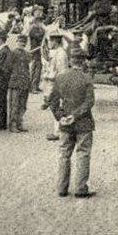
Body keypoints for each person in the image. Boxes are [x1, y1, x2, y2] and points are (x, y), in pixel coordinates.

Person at [45, 48, 96, 198]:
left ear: (70, 60)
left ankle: (62, 188)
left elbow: (52, 100)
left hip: (65, 124)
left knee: (64, 155)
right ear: (84, 61)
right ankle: (80, 188)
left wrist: (60, 116)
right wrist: (76, 115)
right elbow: (89, 102)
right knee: (83, 154)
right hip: (83, 123)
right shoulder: (87, 79)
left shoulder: (60, 78)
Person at [42, 32, 70, 141]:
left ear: (55, 41)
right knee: (54, 107)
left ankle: (61, 131)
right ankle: (58, 131)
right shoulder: (57, 52)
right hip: (55, 82)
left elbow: (62, 72)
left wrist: (58, 87)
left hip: (57, 83)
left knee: (55, 107)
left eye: (50, 41)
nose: (49, 43)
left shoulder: (61, 54)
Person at [6, 35, 32, 132]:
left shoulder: (27, 54)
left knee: (23, 105)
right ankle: (12, 125)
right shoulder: (12, 53)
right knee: (15, 104)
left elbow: (27, 68)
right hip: (15, 82)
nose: (22, 44)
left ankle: (19, 123)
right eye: (20, 41)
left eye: (24, 42)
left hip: (24, 81)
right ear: (17, 42)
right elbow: (7, 67)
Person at [27, 9, 46, 93]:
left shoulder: (39, 28)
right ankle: (32, 87)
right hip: (34, 50)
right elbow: (37, 37)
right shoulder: (33, 29)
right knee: (35, 69)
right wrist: (44, 33)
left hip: (39, 50)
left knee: (39, 68)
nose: (40, 22)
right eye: (39, 21)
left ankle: (36, 85)